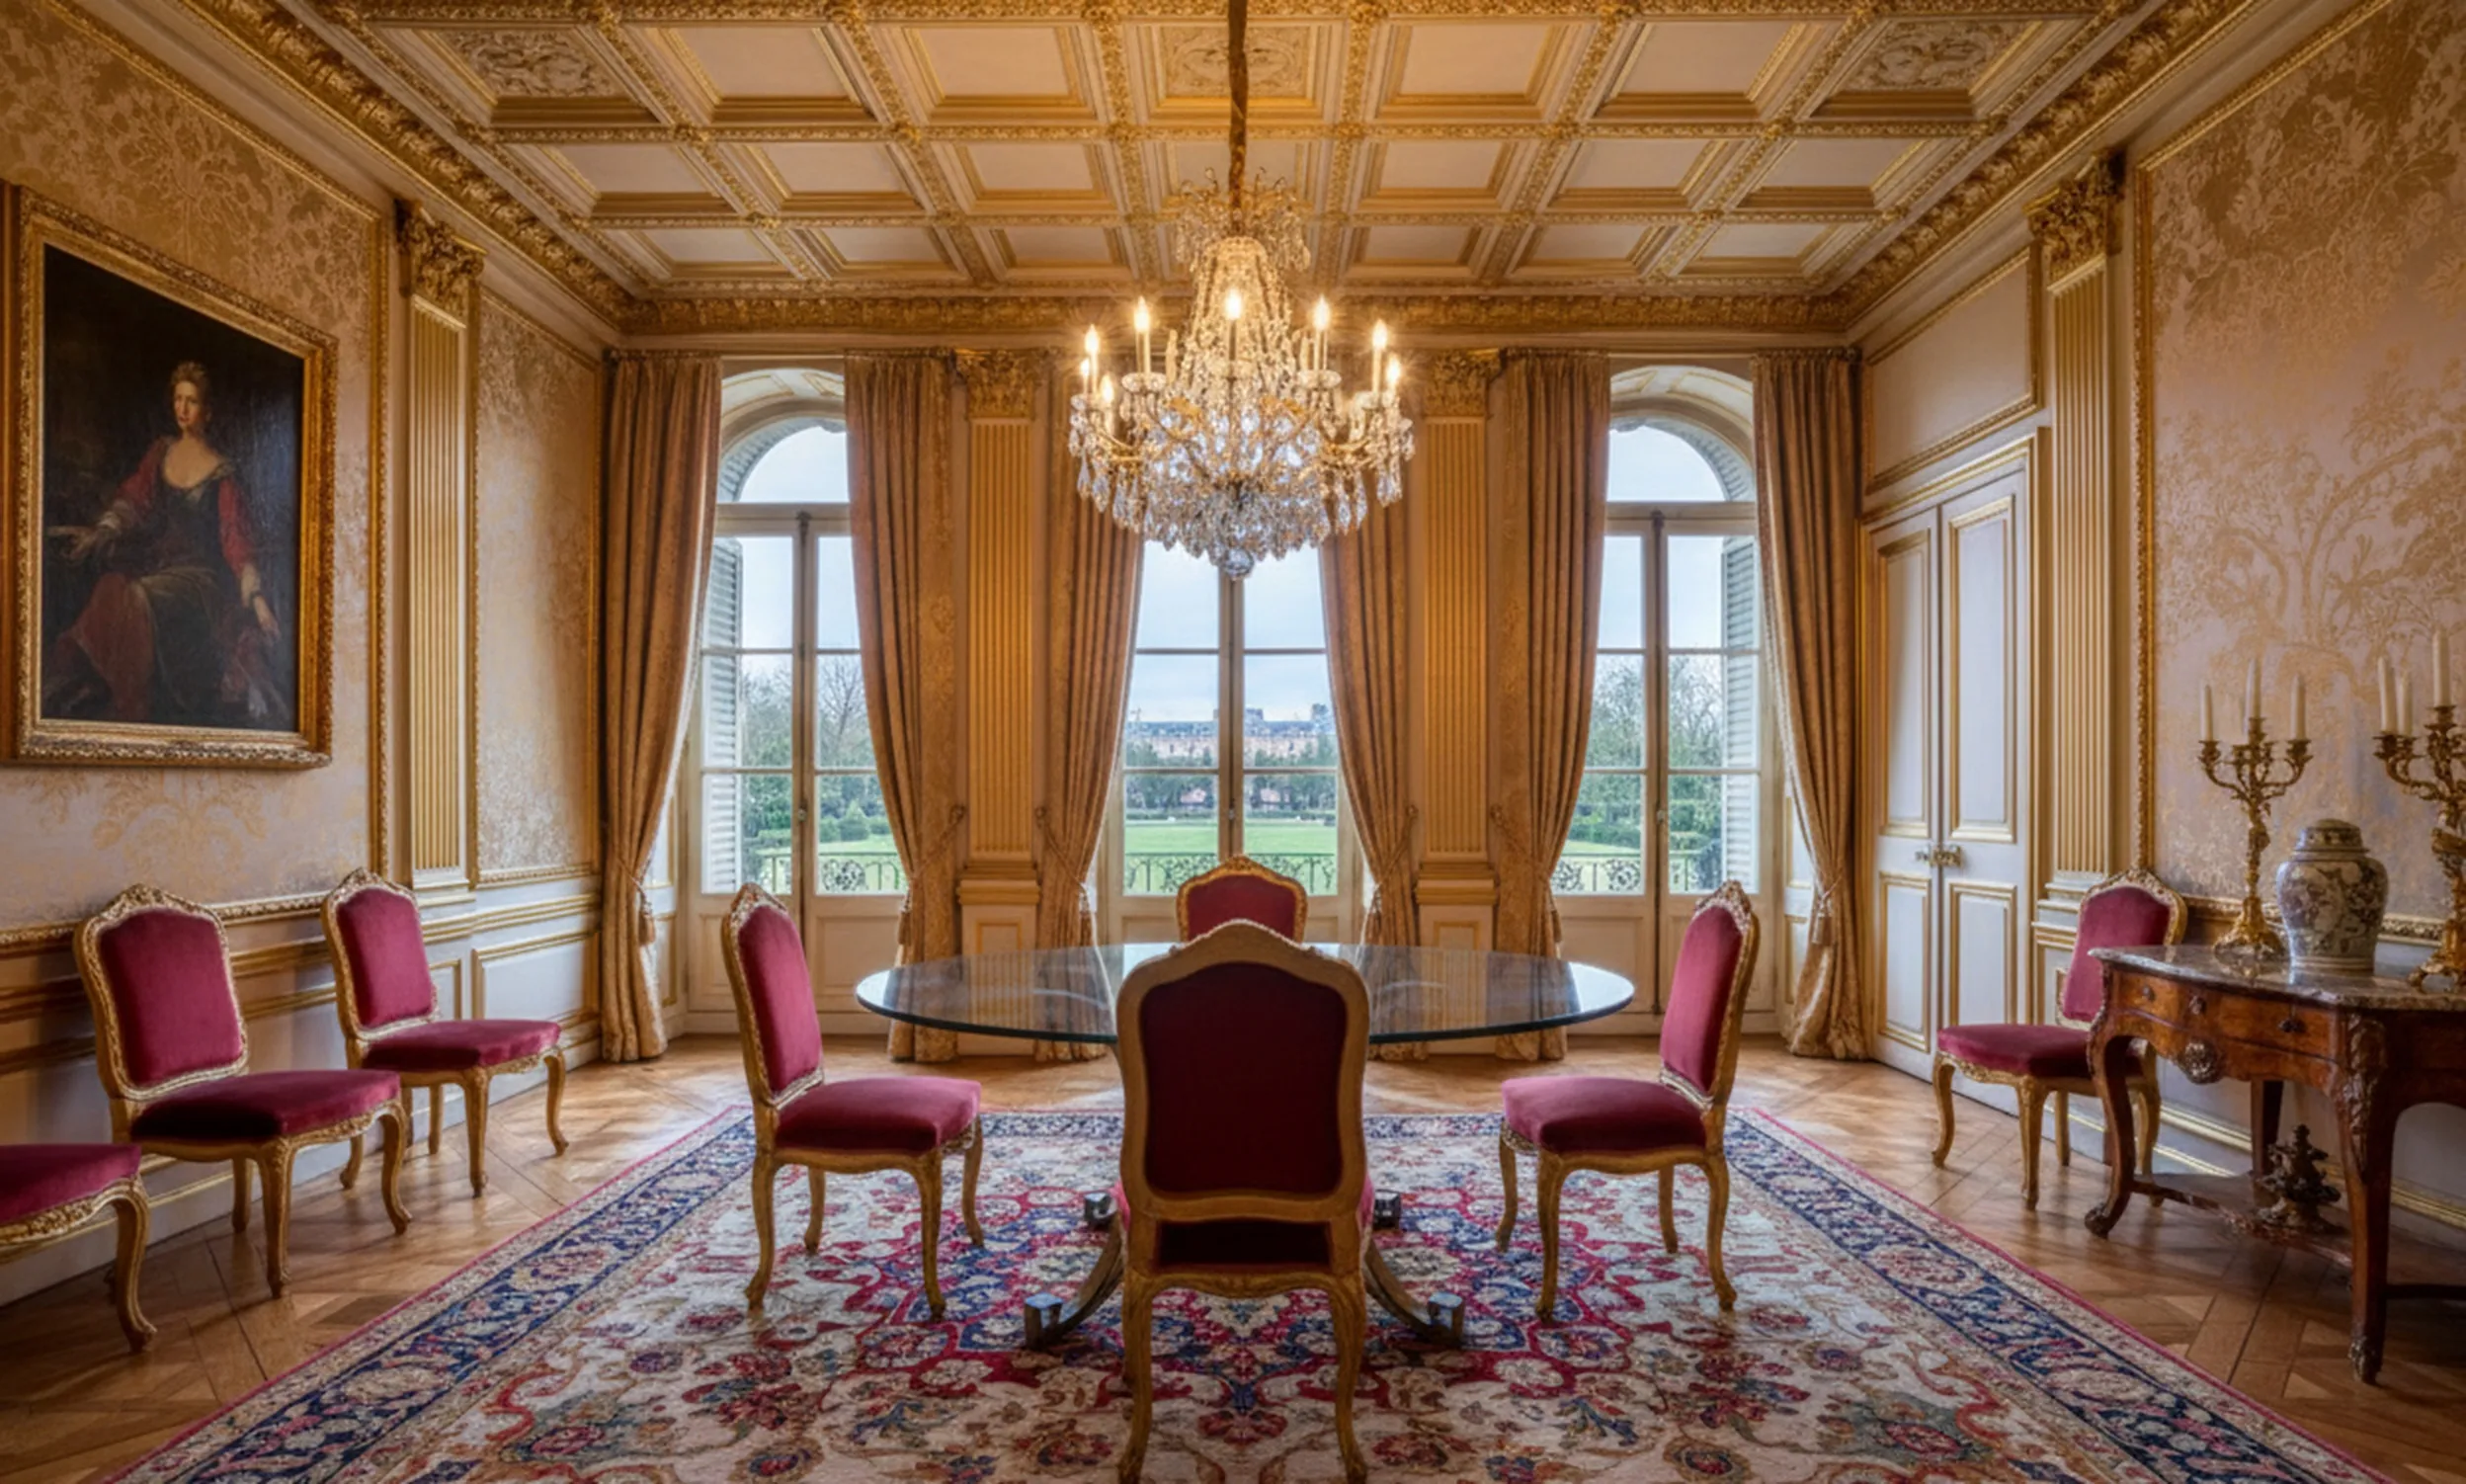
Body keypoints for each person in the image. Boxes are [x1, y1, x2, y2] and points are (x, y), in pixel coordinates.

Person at [43, 362, 285, 727]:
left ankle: (133, 705)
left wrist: (257, 599)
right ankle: (82, 683)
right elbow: (133, 502)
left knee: (138, 595)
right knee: (112, 587)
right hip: (160, 567)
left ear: (208, 411)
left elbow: (237, 543)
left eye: (192, 401)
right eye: (178, 399)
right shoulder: (161, 453)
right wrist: (100, 532)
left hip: (199, 582)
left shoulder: (222, 473)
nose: (182, 408)